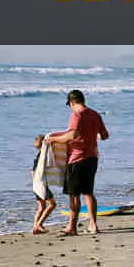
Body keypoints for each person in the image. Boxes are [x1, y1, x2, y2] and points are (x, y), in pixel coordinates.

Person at [44, 90, 109, 235]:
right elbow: (104, 135)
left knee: (74, 195)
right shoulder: (95, 114)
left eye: (70, 105)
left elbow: (71, 135)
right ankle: (93, 225)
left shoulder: (76, 115)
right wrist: (91, 136)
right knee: (88, 192)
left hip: (77, 158)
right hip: (92, 157)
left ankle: (72, 228)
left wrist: (53, 139)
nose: (71, 108)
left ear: (72, 102)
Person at [31, 134, 57, 234]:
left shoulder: (39, 156)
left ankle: (35, 227)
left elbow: (32, 172)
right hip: (41, 183)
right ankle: (38, 225)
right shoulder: (43, 155)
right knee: (52, 204)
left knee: (41, 207)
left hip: (35, 183)